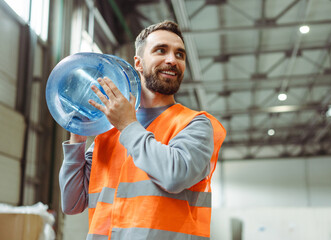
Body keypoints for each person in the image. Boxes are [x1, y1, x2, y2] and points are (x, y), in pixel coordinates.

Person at [59, 20, 226, 240]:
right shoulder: (109, 130)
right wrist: (78, 135)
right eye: (161, 50)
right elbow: (72, 203)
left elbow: (174, 176)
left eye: (180, 55)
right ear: (138, 63)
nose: (172, 60)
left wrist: (127, 125)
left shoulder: (195, 125)